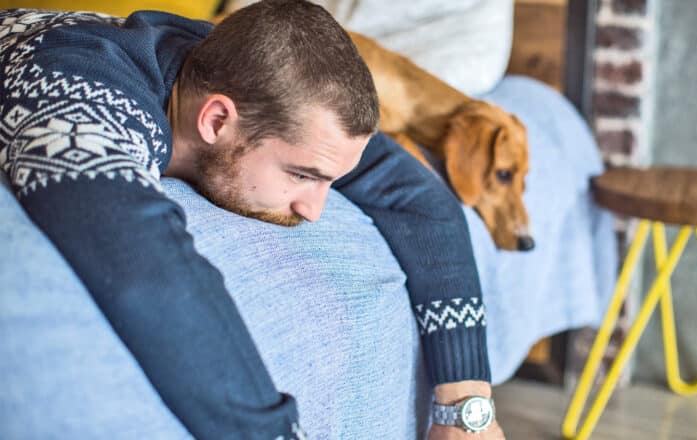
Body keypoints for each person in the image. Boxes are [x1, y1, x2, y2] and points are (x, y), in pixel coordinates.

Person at [0, 1, 503, 438]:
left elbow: (418, 196)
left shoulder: (246, 77)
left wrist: (465, 407)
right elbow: (146, 272)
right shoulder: (78, 99)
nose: (314, 210)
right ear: (216, 120)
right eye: (303, 174)